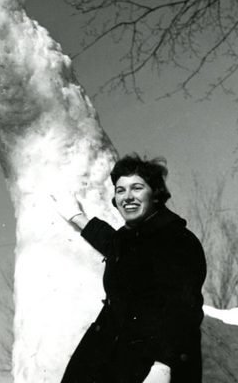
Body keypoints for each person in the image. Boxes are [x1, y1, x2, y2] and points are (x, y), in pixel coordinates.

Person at [53, 154, 206, 383]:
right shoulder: (129, 239)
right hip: (112, 352)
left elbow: (185, 308)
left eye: (136, 188)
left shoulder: (177, 239)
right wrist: (79, 218)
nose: (127, 197)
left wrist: (163, 365)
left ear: (155, 193)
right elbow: (114, 245)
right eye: (120, 190)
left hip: (154, 362)